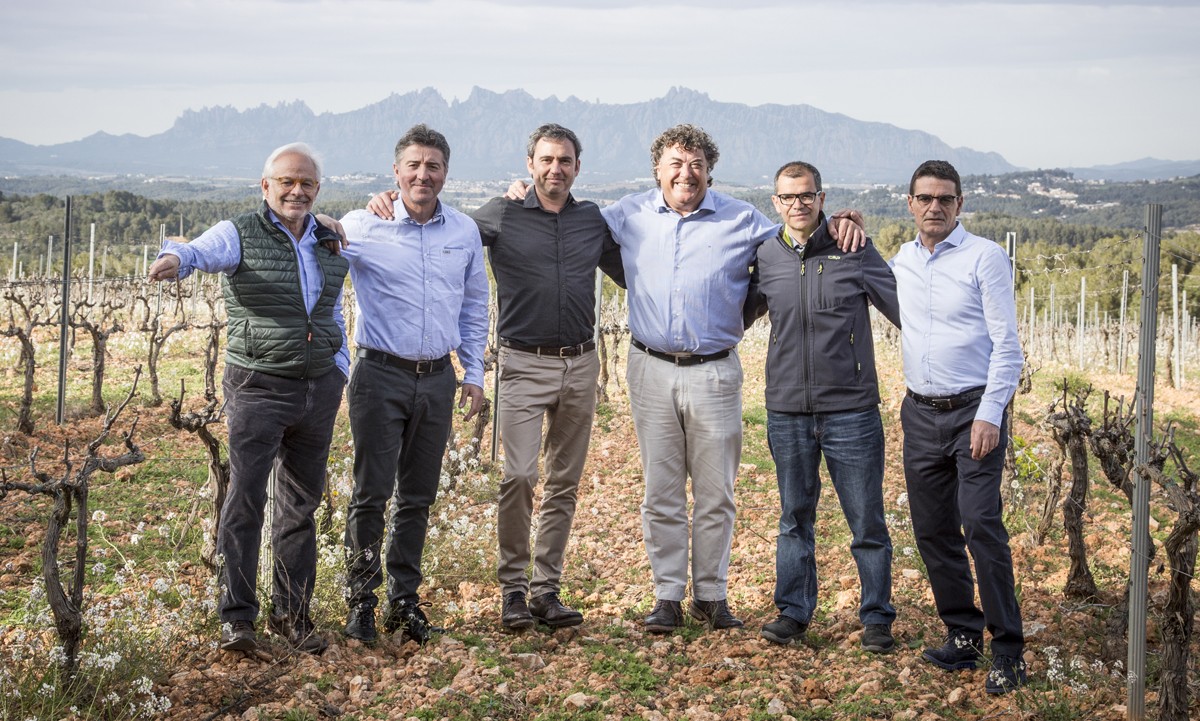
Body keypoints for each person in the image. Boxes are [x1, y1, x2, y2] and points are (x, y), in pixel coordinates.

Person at [365, 124, 625, 632]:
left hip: (581, 363)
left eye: (565, 160)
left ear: (578, 167)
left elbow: (634, 271)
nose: (555, 168)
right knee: (520, 476)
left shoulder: (592, 220)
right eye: (546, 159)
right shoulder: (501, 213)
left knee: (564, 482)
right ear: (530, 164)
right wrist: (389, 202)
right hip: (523, 363)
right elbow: (436, 223)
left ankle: (546, 591)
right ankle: (513, 590)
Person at [148, 142, 348, 654]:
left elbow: (331, 310)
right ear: (265, 186)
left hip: (318, 387)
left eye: (306, 183)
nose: (296, 190)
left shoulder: (328, 238)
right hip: (258, 386)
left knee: (300, 506)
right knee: (246, 500)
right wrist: (175, 257)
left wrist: (340, 368)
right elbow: (198, 250)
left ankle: (293, 617)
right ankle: (237, 619)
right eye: (286, 181)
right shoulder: (240, 232)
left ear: (318, 189)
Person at [337, 125, 489, 646]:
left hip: (438, 378)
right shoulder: (363, 224)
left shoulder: (463, 231)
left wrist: (473, 372)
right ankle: (360, 603)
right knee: (370, 493)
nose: (423, 174)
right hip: (379, 376)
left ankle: (403, 603)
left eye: (433, 166)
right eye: (414, 165)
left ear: (446, 172)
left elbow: (475, 305)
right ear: (396, 171)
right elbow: (313, 249)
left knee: (418, 497)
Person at [743, 161, 901, 652]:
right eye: (788, 197)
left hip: (851, 409)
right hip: (786, 409)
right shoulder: (765, 255)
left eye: (807, 195)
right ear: (776, 202)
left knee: (866, 519)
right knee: (794, 518)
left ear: (821, 198)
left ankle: (876, 618)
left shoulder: (853, 248)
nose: (798, 204)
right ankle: (793, 611)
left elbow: (907, 309)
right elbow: (735, 315)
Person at [891, 160, 1026, 693]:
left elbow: (1008, 346)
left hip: (974, 412)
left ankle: (1008, 650)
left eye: (945, 198)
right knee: (933, 530)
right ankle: (963, 634)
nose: (935, 207)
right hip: (920, 413)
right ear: (910, 204)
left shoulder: (985, 257)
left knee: (980, 524)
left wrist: (991, 413)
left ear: (960, 204)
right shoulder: (902, 259)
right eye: (925, 198)